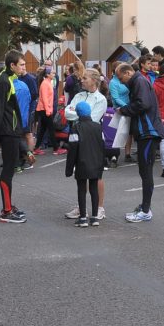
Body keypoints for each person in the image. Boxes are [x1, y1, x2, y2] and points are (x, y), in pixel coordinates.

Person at [116, 63, 163, 223]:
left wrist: (124, 109)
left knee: (146, 171)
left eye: (121, 78)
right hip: (145, 132)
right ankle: (144, 207)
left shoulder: (139, 81)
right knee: (144, 171)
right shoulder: (138, 81)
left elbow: (143, 104)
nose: (121, 81)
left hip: (148, 132)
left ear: (128, 72)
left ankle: (146, 210)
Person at [63, 69, 108, 221]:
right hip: (77, 136)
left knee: (95, 173)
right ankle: (81, 207)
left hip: (92, 138)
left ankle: (99, 208)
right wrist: (80, 114)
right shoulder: (78, 95)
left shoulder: (101, 99)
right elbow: (67, 113)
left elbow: (93, 118)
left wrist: (78, 113)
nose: (81, 80)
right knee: (81, 172)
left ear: (94, 80)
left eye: (84, 78)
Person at [0, 50, 32, 223]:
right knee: (8, 171)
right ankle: (6, 212)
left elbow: (12, 109)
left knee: (11, 169)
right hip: (8, 132)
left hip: (13, 131)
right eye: (21, 64)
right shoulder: (3, 81)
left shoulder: (9, 78)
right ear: (12, 65)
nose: (23, 68)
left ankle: (8, 206)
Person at [64, 101, 104, 227]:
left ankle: (82, 218)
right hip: (96, 163)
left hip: (81, 162)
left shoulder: (76, 128)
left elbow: (72, 149)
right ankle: (95, 217)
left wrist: (69, 169)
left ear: (78, 113)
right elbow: (102, 146)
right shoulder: (98, 127)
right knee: (94, 189)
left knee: (81, 189)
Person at [33, 67, 55, 155]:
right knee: (51, 128)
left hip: (45, 109)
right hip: (44, 109)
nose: (54, 74)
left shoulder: (48, 82)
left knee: (43, 129)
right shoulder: (45, 84)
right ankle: (56, 148)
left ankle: (36, 148)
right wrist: (48, 110)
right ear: (48, 75)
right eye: (53, 73)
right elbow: (45, 98)